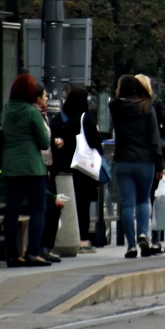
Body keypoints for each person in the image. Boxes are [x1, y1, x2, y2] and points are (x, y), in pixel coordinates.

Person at [0, 74, 51, 267]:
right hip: (32, 167)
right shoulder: (31, 112)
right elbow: (44, 142)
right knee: (38, 209)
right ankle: (32, 252)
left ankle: (13, 254)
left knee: (12, 210)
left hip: (10, 167)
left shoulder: (7, 111)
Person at [110, 75, 163, 258]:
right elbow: (154, 139)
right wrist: (160, 163)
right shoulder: (147, 107)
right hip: (145, 161)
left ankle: (131, 246)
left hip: (123, 161)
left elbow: (116, 99)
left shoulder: (115, 107)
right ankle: (143, 234)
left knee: (126, 205)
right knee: (143, 200)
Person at [50, 86, 103, 254]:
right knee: (83, 204)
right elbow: (95, 142)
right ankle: (82, 239)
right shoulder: (85, 120)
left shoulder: (58, 119)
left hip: (61, 168)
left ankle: (60, 237)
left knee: (62, 203)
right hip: (82, 169)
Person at [134, 74, 165, 255]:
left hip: (131, 158)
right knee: (155, 199)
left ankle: (137, 239)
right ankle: (155, 240)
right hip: (151, 159)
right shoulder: (155, 106)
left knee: (136, 201)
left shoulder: (125, 106)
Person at [35, 84, 65, 263]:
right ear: (38, 98)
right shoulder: (35, 115)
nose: (47, 98)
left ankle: (46, 246)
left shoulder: (43, 115)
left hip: (47, 164)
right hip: (40, 166)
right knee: (50, 205)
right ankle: (41, 247)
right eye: (45, 96)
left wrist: (53, 143)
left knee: (53, 206)